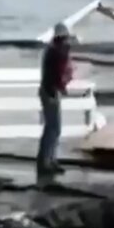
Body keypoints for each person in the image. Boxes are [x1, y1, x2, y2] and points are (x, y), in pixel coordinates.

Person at [38, 23, 73, 176]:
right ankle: (47, 162)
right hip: (51, 92)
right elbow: (58, 74)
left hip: (47, 90)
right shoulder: (59, 52)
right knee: (54, 129)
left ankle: (47, 160)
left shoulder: (51, 49)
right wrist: (62, 88)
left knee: (50, 128)